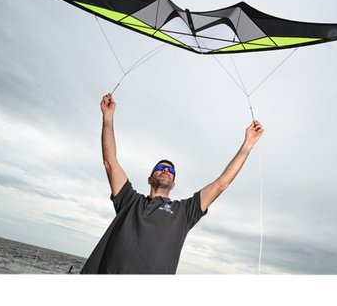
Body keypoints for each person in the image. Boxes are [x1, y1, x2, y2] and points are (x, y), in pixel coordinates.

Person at [82, 93, 263, 274]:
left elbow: (221, 183)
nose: (166, 170)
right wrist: (108, 117)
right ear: (149, 179)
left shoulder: (184, 212)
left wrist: (247, 144)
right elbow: (110, 162)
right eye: (161, 167)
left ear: (173, 184)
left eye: (171, 171)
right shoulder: (129, 200)